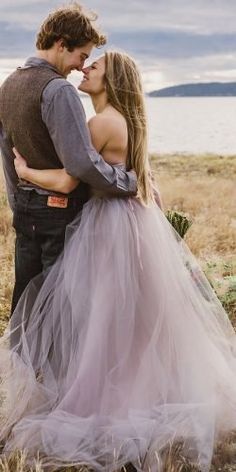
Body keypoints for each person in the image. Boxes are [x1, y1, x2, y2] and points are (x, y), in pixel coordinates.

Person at [0, 50, 236, 472]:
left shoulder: (101, 123)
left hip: (107, 227)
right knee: (132, 322)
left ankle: (103, 399)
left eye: (95, 67)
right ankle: (138, 389)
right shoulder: (126, 121)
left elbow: (69, 178)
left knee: (103, 319)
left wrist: (25, 170)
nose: (85, 69)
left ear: (111, 82)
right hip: (133, 224)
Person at [0, 3, 137, 315]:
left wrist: (18, 199)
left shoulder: (7, 85)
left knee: (26, 299)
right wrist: (126, 181)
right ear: (62, 44)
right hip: (58, 214)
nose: (80, 66)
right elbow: (81, 164)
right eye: (82, 56)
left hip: (25, 209)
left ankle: (23, 363)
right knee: (63, 305)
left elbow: (8, 155)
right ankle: (59, 365)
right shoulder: (59, 90)